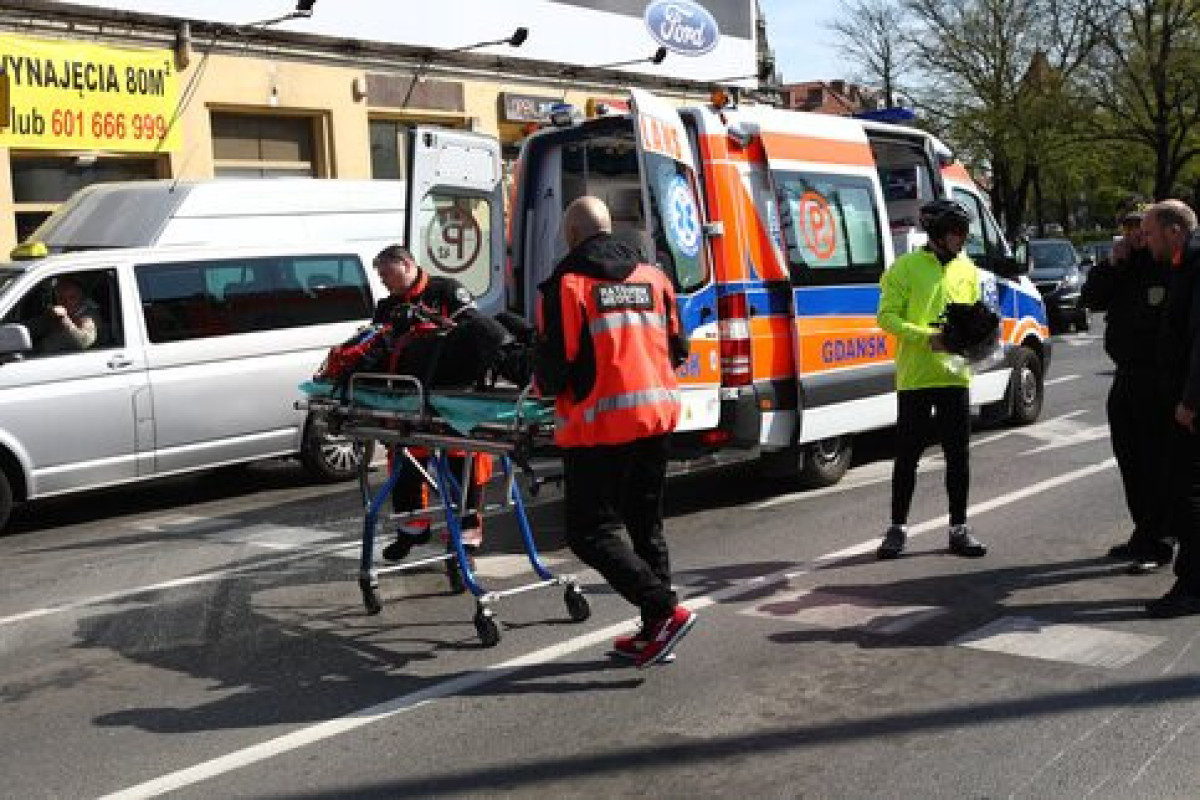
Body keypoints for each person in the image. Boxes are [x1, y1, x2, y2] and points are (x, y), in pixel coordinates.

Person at [535, 196, 695, 668]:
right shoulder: (653, 277)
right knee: (646, 524)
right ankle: (657, 631)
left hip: (600, 427)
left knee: (589, 532)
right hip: (656, 418)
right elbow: (678, 348)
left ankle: (662, 610)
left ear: (570, 235)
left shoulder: (567, 284)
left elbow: (555, 369)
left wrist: (538, 376)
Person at [876, 198, 989, 560]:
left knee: (959, 456)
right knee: (908, 456)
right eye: (958, 232)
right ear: (938, 233)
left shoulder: (967, 269)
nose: (963, 239)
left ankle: (959, 528)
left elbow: (971, 316)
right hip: (917, 378)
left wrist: (980, 334)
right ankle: (897, 528)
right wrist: (927, 337)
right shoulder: (904, 269)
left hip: (955, 376)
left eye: (966, 233)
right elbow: (886, 318)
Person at [369, 245, 492, 563]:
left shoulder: (447, 291)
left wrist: (431, 322)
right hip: (409, 396)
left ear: (406, 265)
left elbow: (477, 330)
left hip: (451, 392)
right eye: (379, 275)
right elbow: (375, 346)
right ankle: (412, 529)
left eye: (386, 273)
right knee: (406, 456)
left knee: (461, 458)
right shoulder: (387, 307)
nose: (382, 280)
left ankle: (466, 532)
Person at [1080, 198, 1175, 573]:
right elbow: (1091, 300)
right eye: (1127, 227)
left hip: (1160, 376)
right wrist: (1111, 264)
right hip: (1127, 373)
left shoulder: (1167, 263)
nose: (1134, 233)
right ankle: (1144, 530)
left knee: (1157, 462)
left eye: (1139, 226)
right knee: (1130, 457)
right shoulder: (1123, 265)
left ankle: (1162, 539)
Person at [1143, 199, 1200, 617]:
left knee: (1187, 495)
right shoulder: (1183, 263)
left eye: (1149, 233)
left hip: (1192, 405)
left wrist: (1190, 401)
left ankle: (1193, 586)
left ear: (1174, 230)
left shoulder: (1196, 266)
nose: (1144, 241)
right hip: (1181, 398)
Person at [29, 275, 99, 353]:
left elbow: (83, 342)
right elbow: (34, 326)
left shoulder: (88, 316)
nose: (66, 302)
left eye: (72, 298)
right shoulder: (57, 313)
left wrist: (64, 318)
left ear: (81, 299)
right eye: (61, 298)